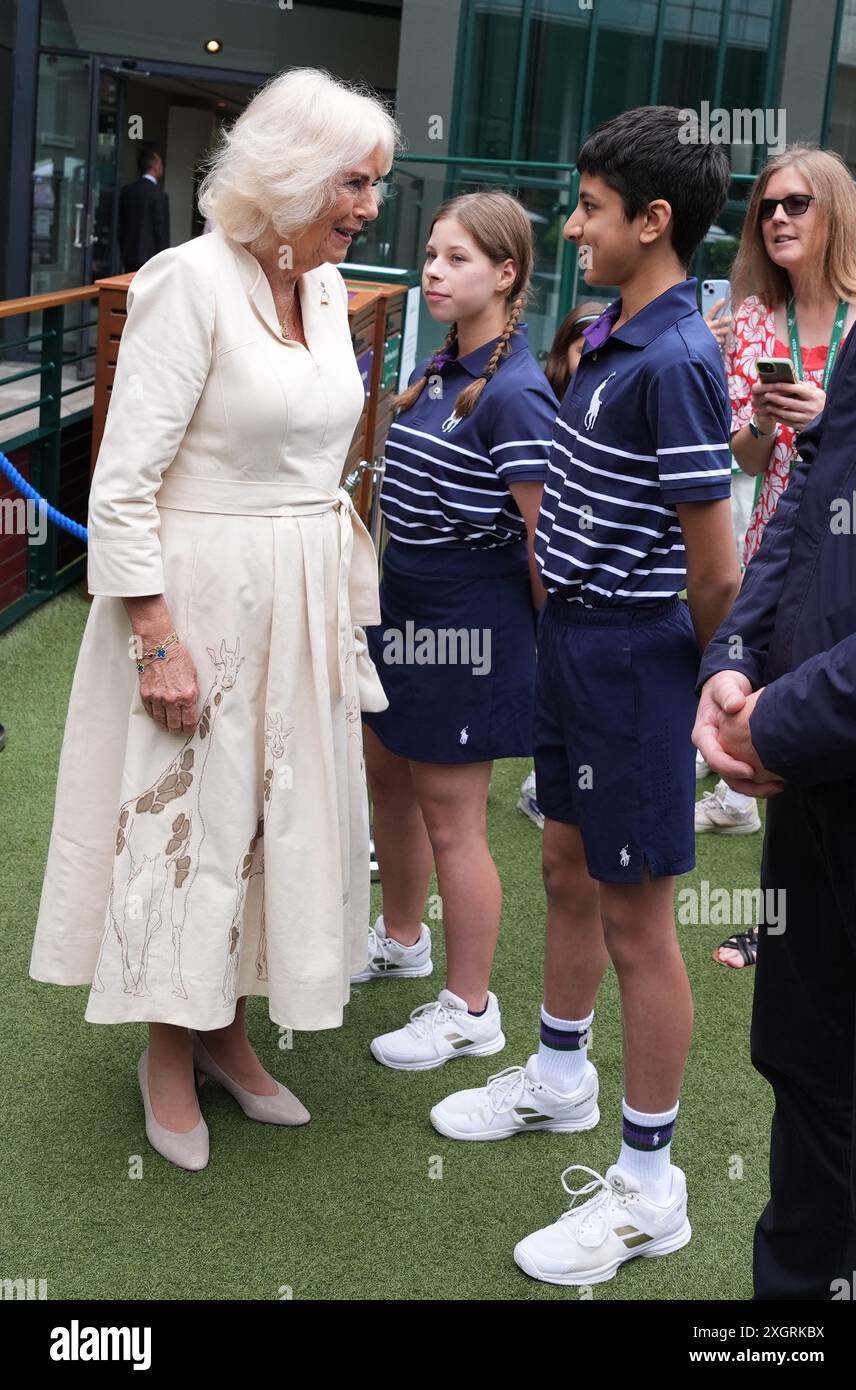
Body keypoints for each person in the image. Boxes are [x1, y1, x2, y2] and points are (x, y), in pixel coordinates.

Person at [29, 68, 400, 1171]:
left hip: (300, 597)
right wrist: (155, 637)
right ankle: (163, 1048)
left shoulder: (331, 291)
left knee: (264, 823)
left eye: (376, 184)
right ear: (287, 174)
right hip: (195, 600)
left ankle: (228, 1032)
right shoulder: (184, 282)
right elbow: (121, 482)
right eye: (354, 182)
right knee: (183, 818)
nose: (369, 207)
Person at [433, 105, 740, 1288]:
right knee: (563, 862)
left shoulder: (678, 359)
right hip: (573, 647)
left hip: (633, 663)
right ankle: (558, 1079)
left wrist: (703, 700)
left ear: (652, 221)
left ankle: (651, 1187)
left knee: (637, 921)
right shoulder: (613, 333)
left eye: (592, 209)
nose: (571, 228)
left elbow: (713, 567)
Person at [693, 262, 856, 1300]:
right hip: (814, 785)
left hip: (826, 748)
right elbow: (807, 486)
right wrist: (738, 656)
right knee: (806, 1076)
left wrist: (785, 720)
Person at [353, 193, 558, 1072]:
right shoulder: (441, 367)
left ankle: (471, 1009)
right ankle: (404, 938)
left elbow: (545, 546)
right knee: (387, 778)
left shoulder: (517, 392)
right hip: (402, 604)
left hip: (468, 621)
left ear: (507, 275)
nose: (433, 270)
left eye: (458, 259)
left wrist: (547, 656)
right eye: (431, 255)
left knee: (453, 817)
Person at [695, 147, 856, 969]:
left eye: (797, 204)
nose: (777, 219)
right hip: (779, 531)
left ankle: (798, 925)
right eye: (766, 207)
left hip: (855, 549)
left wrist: (831, 413)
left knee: (830, 716)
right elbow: (747, 457)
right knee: (773, 713)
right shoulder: (754, 318)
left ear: (834, 210)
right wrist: (770, 423)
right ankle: (778, 919)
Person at [517, 300, 607, 831]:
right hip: (543, 572)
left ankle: (555, 783)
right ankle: (543, 781)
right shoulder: (544, 406)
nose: (593, 357)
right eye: (582, 346)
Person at [118, 149, 171, 273]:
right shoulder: (159, 195)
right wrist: (164, 257)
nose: (162, 167)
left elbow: (121, 225)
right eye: (161, 163)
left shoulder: (127, 190)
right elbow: (161, 230)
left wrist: (123, 249)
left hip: (128, 254)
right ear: (155, 167)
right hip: (150, 257)